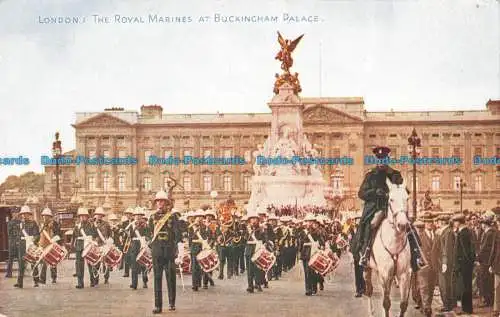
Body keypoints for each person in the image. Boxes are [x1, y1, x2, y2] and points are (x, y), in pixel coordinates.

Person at [354, 146, 424, 271]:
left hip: (394, 207)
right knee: (370, 224)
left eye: (384, 159)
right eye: (379, 159)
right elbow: (361, 193)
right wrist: (375, 192)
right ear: (376, 160)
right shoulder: (370, 175)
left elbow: (405, 190)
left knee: (408, 226)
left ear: (387, 160)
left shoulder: (395, 174)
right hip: (377, 208)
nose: (382, 162)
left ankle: (417, 256)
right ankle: (365, 253)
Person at [149, 190, 184, 313]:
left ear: (166, 203)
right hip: (157, 252)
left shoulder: (173, 217)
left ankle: (171, 302)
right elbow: (149, 235)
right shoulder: (152, 217)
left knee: (171, 278)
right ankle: (158, 305)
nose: (160, 204)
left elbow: (178, 235)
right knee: (157, 279)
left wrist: (180, 253)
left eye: (162, 201)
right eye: (158, 201)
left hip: (169, 252)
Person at [453, 213, 475, 315]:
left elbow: (465, 250)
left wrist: (463, 263)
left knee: (464, 287)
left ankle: (466, 308)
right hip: (466, 264)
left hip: (463, 264)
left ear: (459, 222)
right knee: (466, 286)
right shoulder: (466, 232)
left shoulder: (463, 233)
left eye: (455, 222)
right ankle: (467, 308)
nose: (454, 224)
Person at [14, 205, 40, 288]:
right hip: (22, 245)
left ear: (29, 214)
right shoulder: (20, 224)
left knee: (33, 263)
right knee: (21, 264)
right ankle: (20, 282)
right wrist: (17, 243)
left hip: (31, 245)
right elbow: (18, 235)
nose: (24, 215)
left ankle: (36, 281)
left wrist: (33, 241)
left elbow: (37, 235)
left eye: (26, 214)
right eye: (23, 214)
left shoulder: (33, 223)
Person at [72, 207, 98, 289]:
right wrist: (72, 246)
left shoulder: (91, 225)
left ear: (87, 217)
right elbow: (74, 236)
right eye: (81, 216)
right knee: (79, 265)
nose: (82, 218)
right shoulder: (77, 226)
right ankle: (80, 283)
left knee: (91, 263)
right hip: (79, 246)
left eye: (84, 216)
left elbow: (96, 235)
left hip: (88, 245)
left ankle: (93, 280)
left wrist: (95, 243)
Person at [38, 207, 61, 284]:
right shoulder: (42, 225)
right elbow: (40, 234)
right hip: (43, 245)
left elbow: (57, 234)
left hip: (51, 245)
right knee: (44, 263)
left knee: (53, 261)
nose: (45, 217)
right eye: (44, 216)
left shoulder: (54, 224)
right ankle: (42, 279)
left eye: (47, 216)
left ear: (50, 216)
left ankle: (54, 277)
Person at [5, 208, 21, 278]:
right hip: (12, 243)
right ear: (12, 214)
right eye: (14, 213)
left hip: (19, 242)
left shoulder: (20, 222)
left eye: (17, 212)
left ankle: (21, 273)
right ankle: (9, 273)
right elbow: (9, 234)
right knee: (10, 258)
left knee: (20, 259)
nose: (15, 214)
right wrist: (14, 242)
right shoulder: (10, 223)